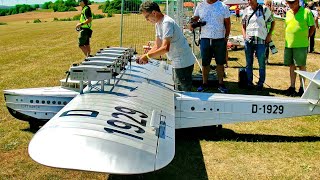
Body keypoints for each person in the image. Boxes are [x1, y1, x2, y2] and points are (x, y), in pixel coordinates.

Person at [138, 1, 195, 91]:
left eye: (147, 17)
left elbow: (165, 48)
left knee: (182, 92)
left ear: (154, 13)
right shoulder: (158, 24)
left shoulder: (167, 23)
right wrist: (144, 56)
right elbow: (158, 45)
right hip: (177, 61)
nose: (147, 20)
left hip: (183, 62)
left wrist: (147, 56)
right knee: (178, 88)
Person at [189, 0, 231, 93]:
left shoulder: (223, 6)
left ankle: (220, 84)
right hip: (205, 38)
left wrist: (226, 37)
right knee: (205, 62)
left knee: (220, 62)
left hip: (219, 38)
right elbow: (195, 18)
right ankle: (204, 83)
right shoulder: (200, 6)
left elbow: (228, 23)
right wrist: (193, 22)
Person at [241, 0, 275, 91]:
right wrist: (244, 36)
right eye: (248, 0)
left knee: (261, 63)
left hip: (261, 40)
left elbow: (272, 22)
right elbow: (243, 25)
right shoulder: (246, 10)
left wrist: (269, 35)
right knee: (249, 63)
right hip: (249, 41)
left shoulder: (264, 10)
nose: (249, 1)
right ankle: (249, 82)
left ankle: (260, 83)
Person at [284, 0, 315, 96]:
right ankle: (292, 86)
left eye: (292, 2)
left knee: (301, 65)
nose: (290, 4)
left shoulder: (307, 12)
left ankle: (302, 87)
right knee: (291, 65)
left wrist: (307, 37)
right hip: (289, 44)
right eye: (289, 2)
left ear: (297, 2)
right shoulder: (288, 13)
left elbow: (312, 27)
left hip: (301, 44)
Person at [265, 0, 275, 64]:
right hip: (266, 30)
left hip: (267, 31)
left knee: (266, 46)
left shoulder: (269, 13)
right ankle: (265, 59)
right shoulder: (269, 12)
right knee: (266, 46)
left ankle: (266, 59)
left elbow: (272, 22)